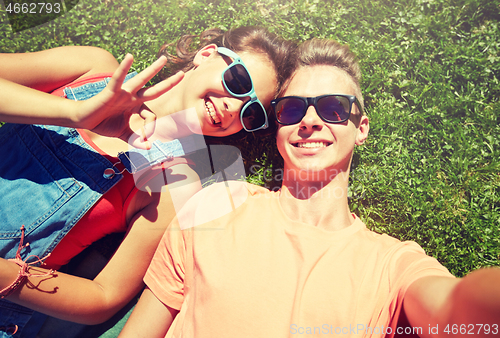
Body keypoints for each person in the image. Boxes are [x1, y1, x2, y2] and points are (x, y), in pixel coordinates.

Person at [119, 38, 500, 338]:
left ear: (361, 128)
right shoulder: (215, 206)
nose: (311, 120)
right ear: (279, 128)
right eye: (292, 109)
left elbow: (456, 310)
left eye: (333, 107)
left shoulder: (390, 265)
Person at [0, 26, 296, 337]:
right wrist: (74, 114)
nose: (234, 107)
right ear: (206, 55)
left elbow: (104, 296)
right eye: (238, 82)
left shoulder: (176, 182)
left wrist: (8, 276)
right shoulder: (91, 69)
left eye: (251, 113)